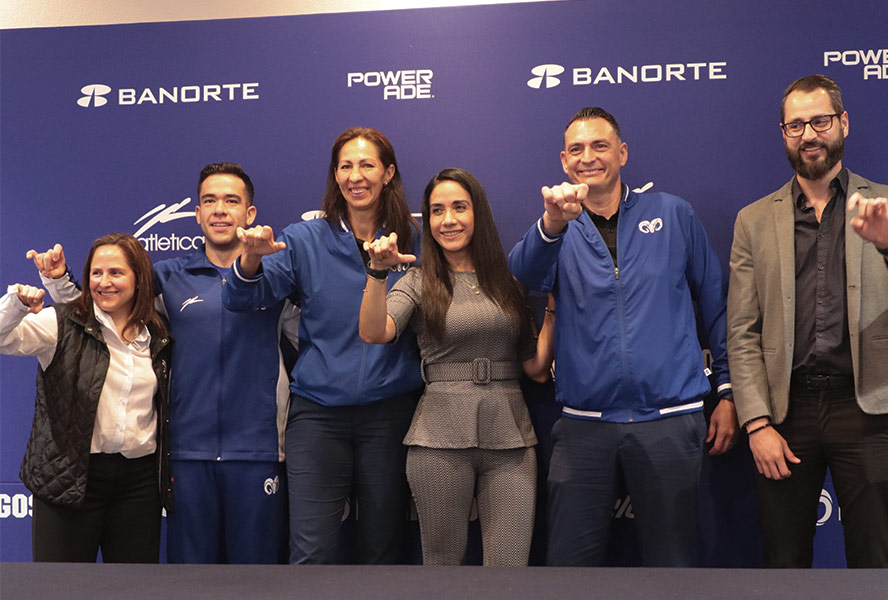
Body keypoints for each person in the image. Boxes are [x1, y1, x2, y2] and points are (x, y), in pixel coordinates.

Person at [28, 163, 297, 564]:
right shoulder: (167, 277)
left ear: (250, 214)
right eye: (209, 201)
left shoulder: (277, 277)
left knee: (257, 579)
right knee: (188, 582)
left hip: (256, 452)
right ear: (199, 214)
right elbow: (102, 313)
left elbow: (316, 337)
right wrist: (60, 284)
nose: (220, 209)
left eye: (231, 201)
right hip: (184, 454)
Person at [507, 107, 736, 567]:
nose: (587, 157)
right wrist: (552, 224)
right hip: (584, 422)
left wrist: (728, 392)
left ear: (622, 153)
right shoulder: (557, 225)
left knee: (673, 566)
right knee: (570, 567)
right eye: (576, 149)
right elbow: (522, 271)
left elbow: (716, 305)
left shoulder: (672, 213)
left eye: (599, 146)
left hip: (670, 417)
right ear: (563, 159)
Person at [223, 127, 423, 564]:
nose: (356, 176)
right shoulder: (303, 239)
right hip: (318, 416)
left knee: (382, 549)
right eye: (346, 166)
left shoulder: (413, 240)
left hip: (390, 414)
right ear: (335, 175)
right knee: (311, 551)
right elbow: (241, 298)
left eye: (367, 164)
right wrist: (251, 259)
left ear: (388, 173)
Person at [727, 74, 888, 568]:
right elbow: (741, 330)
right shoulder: (754, 220)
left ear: (842, 123)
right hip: (785, 412)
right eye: (795, 125)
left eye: (819, 121)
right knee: (784, 562)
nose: (808, 134)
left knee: (874, 561)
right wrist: (756, 422)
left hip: (865, 410)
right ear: (783, 133)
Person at [359, 167, 554, 565]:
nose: (448, 220)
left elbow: (534, 367)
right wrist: (378, 273)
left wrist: (553, 309)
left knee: (509, 569)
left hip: (511, 439)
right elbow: (375, 331)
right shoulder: (417, 281)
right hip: (438, 440)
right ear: (427, 221)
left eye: (459, 208)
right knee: (443, 566)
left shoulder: (510, 282)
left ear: (477, 213)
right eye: (437, 211)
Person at [1, 233, 172, 562]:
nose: (104, 282)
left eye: (116, 273)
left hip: (138, 486)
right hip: (68, 478)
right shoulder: (61, 323)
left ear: (139, 279)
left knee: (133, 590)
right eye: (96, 273)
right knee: (60, 590)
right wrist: (16, 304)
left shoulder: (159, 332)